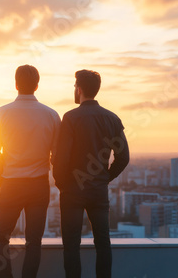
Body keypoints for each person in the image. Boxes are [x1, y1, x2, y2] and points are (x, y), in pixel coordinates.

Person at [53, 70, 130, 278]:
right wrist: (104, 177)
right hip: (98, 191)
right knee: (103, 243)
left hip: (72, 191)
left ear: (78, 89)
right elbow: (123, 158)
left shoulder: (70, 118)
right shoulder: (112, 119)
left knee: (71, 245)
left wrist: (63, 184)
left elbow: (61, 159)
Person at [0, 64, 61, 278]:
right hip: (38, 184)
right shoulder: (52, 115)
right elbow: (56, 156)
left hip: (10, 182)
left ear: (16, 84)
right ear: (37, 85)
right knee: (34, 240)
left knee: (1, 237)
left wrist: (2, 177)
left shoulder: (1, 113)